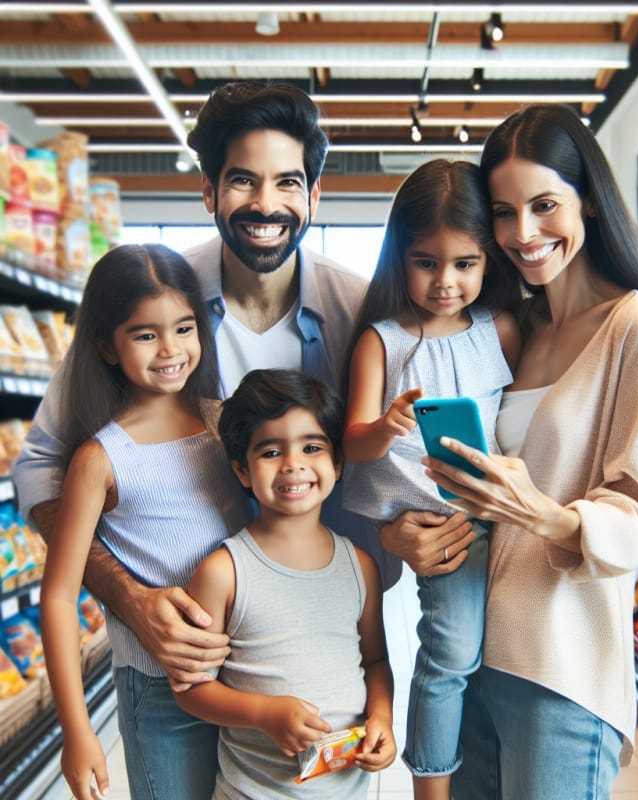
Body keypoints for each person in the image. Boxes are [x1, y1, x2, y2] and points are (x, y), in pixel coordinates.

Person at [13, 81, 407, 695]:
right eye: (243, 180)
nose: (266, 204)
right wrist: (131, 597)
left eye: (288, 183)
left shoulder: (361, 311)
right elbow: (39, 466)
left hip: (322, 638)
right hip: (182, 652)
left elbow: (394, 452)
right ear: (208, 191)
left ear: (316, 194)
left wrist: (403, 526)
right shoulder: (159, 298)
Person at [383, 104, 638, 799]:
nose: (524, 233)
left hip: (562, 666)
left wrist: (541, 512)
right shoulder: (509, 330)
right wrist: (402, 531)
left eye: (545, 204)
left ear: (587, 200)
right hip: (471, 657)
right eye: (503, 212)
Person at [38, 244, 253, 800]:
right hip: (159, 689)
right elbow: (59, 597)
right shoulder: (100, 459)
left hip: (249, 672)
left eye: (184, 328)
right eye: (144, 335)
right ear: (108, 347)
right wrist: (77, 730)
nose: (170, 350)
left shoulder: (225, 423)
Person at [341, 159, 519, 800]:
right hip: (440, 523)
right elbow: (354, 444)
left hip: (508, 513)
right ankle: (430, 789)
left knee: (486, 662)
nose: (446, 282)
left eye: (465, 264)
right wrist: (387, 425)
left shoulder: (498, 331)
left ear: (487, 260)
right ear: (400, 258)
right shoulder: (381, 343)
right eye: (427, 262)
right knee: (448, 656)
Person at [175, 368, 396, 799]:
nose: (293, 464)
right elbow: (190, 690)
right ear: (242, 471)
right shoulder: (223, 572)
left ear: (336, 463)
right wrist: (263, 713)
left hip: (347, 790)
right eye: (271, 452)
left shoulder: (361, 567)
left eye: (311, 447)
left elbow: (375, 662)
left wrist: (382, 719)